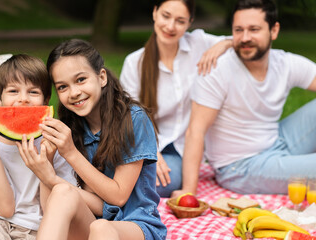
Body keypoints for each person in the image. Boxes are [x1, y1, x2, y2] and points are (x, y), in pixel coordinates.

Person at [16, 39, 167, 240]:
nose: (74, 92)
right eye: (62, 87)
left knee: (102, 229)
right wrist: (48, 171)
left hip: (137, 225)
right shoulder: (74, 128)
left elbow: (119, 197)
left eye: (80, 80)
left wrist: (70, 152)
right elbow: (57, 209)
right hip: (94, 222)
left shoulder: (134, 119)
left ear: (101, 77)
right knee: (63, 192)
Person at [179, 0, 316, 196]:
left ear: (274, 30)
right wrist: (188, 192)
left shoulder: (285, 63)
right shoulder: (216, 70)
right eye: (238, 30)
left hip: (277, 142)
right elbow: (195, 131)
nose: (245, 38)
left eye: (254, 29)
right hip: (240, 167)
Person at [120, 0, 232, 197]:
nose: (170, 27)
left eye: (180, 21)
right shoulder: (134, 63)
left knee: (162, 182)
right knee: (144, 179)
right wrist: (150, 152)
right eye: (166, 16)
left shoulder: (199, 43)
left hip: (182, 149)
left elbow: (240, 40)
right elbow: (129, 118)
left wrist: (222, 45)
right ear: (155, 12)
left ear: (190, 22)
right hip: (146, 143)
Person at [0, 54, 77, 240]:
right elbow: (4, 209)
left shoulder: (56, 140)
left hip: (41, 224)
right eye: (13, 91)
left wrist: (48, 159)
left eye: (33, 92)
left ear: (46, 101)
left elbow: (50, 208)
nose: (23, 99)